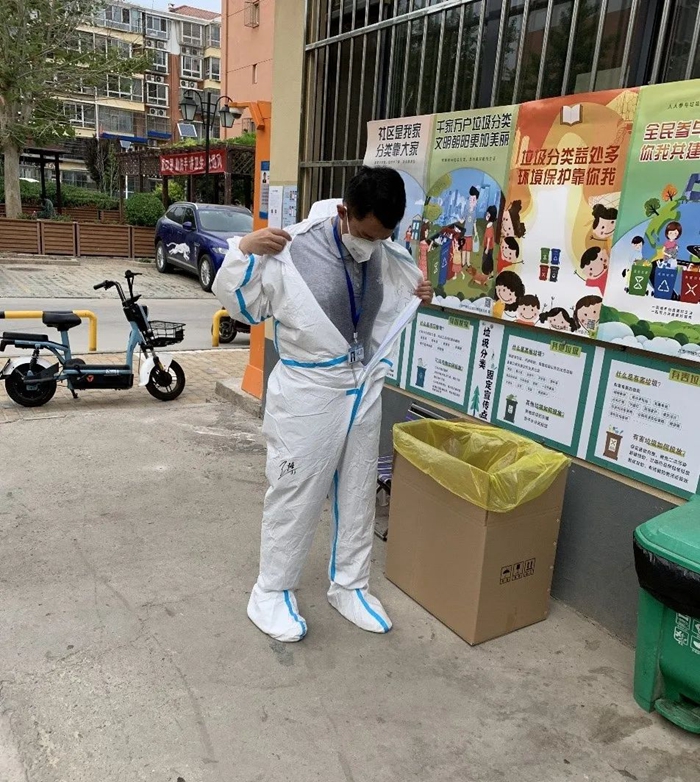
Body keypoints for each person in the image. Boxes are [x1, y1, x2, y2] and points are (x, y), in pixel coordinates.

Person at [213, 167, 432, 643]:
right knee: (295, 490)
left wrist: (417, 293)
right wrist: (244, 249)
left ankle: (350, 585)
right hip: (308, 389)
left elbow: (387, 298)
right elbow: (245, 308)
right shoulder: (292, 247)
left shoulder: (380, 249)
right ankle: (271, 590)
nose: (372, 245)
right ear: (345, 213)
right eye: (367, 234)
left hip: (362, 384)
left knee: (358, 490)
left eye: (383, 237)